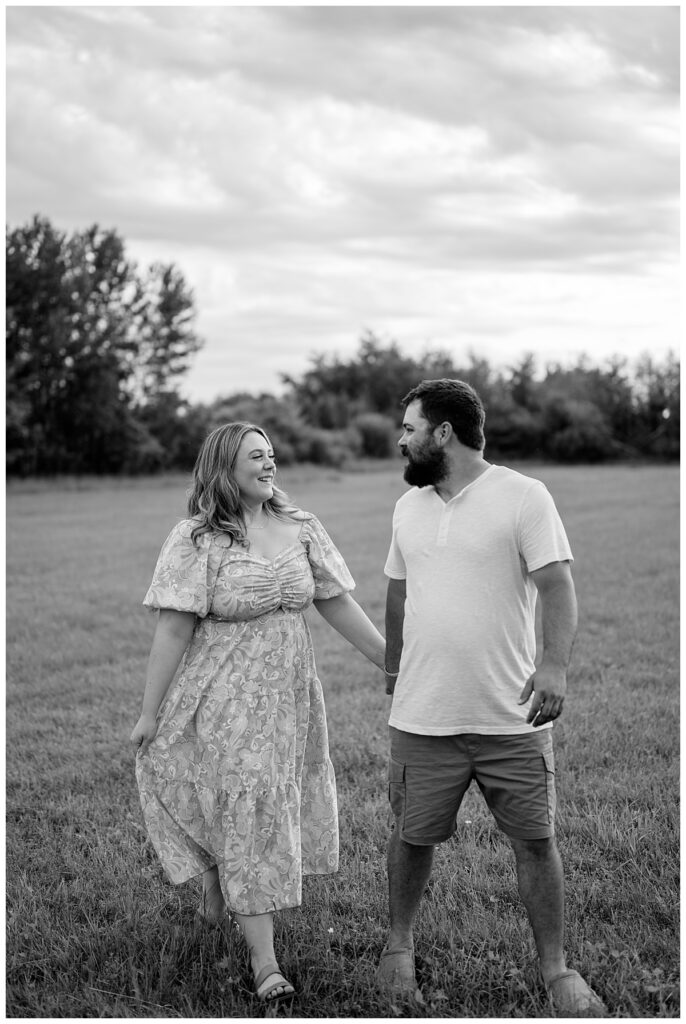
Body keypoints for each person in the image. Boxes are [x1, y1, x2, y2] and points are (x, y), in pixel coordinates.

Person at [130, 421, 385, 1005]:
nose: (269, 465)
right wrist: (150, 713)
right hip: (222, 693)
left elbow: (337, 602)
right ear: (225, 468)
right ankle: (264, 960)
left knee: (263, 801)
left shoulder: (300, 527)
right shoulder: (197, 538)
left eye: (271, 455)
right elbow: (173, 626)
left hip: (290, 695)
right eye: (255, 457)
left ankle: (223, 885)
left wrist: (389, 664)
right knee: (245, 801)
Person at [376, 379, 607, 1017]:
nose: (402, 438)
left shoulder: (523, 496)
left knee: (535, 840)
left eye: (410, 427)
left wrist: (554, 665)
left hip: (511, 715)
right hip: (423, 713)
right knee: (411, 835)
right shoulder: (409, 508)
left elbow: (557, 587)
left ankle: (555, 969)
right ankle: (398, 946)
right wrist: (395, 665)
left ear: (442, 433)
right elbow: (397, 592)